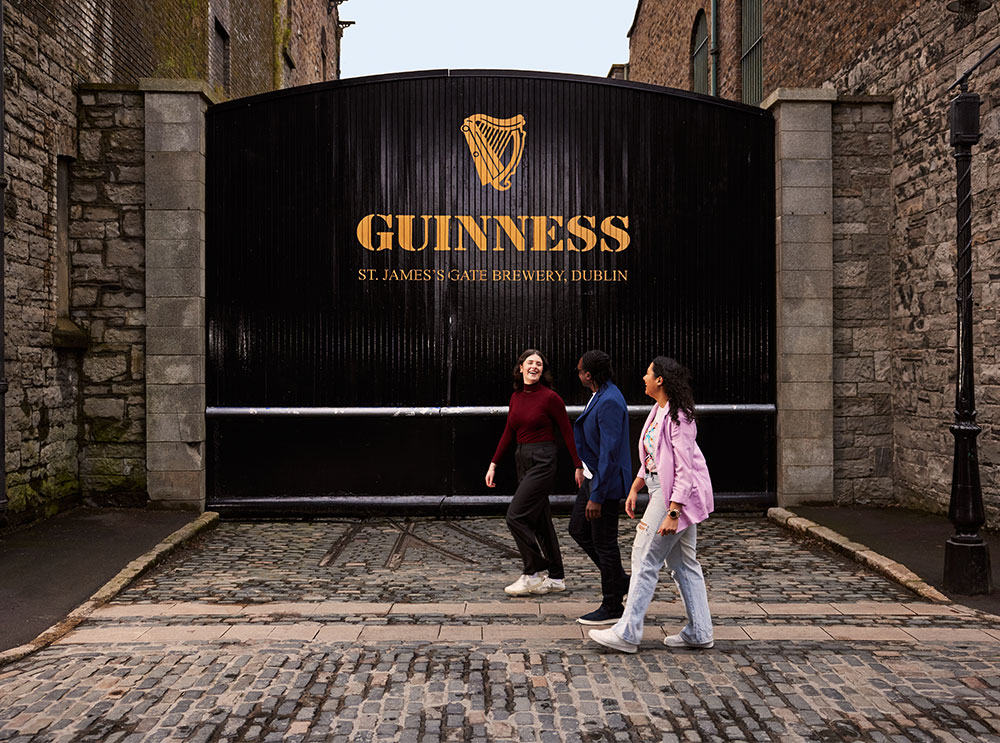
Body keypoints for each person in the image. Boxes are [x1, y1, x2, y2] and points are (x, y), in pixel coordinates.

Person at [588, 356, 714, 653]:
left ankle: (627, 633)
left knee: (644, 558)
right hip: (662, 489)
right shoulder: (659, 411)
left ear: (660, 380)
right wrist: (637, 484)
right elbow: (655, 456)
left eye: (647, 373)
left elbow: (684, 468)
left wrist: (674, 511)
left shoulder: (678, 416)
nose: (643, 378)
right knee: (684, 564)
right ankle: (700, 632)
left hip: (673, 496)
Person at [487, 348, 584, 596]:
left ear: (543, 370)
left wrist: (577, 465)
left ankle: (532, 571)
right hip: (522, 457)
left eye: (539, 364)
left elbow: (567, 432)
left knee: (515, 516)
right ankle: (556, 577)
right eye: (529, 362)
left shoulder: (550, 398)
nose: (534, 367)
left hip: (543, 459)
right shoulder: (516, 397)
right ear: (520, 367)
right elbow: (509, 431)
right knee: (541, 521)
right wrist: (494, 463)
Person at [568, 350, 632, 625]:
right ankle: (620, 580)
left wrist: (597, 494)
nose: (578, 371)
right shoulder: (600, 394)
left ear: (589, 375)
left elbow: (610, 451)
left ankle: (612, 604)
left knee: (605, 544)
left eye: (580, 369)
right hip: (593, 477)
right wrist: (582, 466)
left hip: (604, 484)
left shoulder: (609, 401)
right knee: (577, 529)